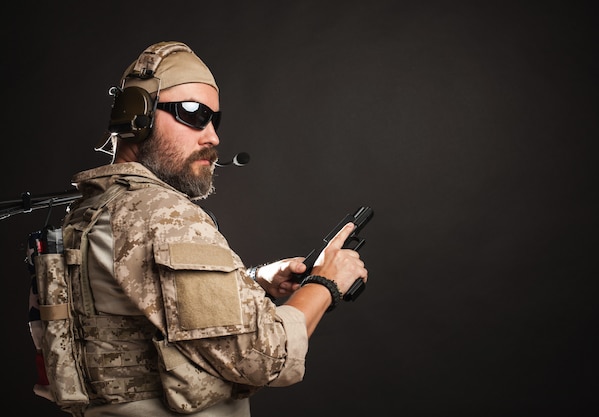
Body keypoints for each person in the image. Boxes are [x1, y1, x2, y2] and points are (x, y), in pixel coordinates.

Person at [44, 40, 368, 417]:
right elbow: (265, 356)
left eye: (215, 119)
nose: (212, 136)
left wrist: (255, 280)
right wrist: (326, 283)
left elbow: (147, 300)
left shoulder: (90, 209)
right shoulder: (161, 213)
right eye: (194, 114)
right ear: (138, 116)